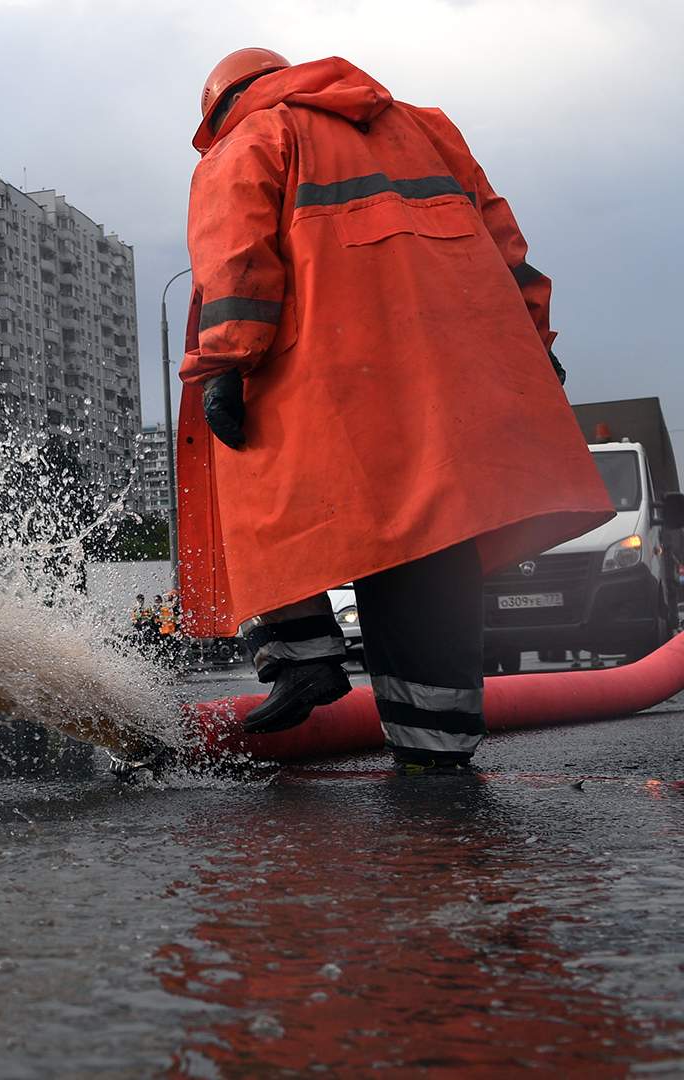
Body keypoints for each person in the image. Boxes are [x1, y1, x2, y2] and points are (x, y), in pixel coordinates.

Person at [175, 49, 613, 771]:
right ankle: (436, 748)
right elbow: (506, 242)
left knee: (245, 482)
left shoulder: (251, 139)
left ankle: (302, 653)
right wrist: (533, 341)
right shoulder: (427, 128)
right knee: (427, 542)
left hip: (324, 374)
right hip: (445, 376)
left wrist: (227, 361)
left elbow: (236, 259)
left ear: (221, 105)